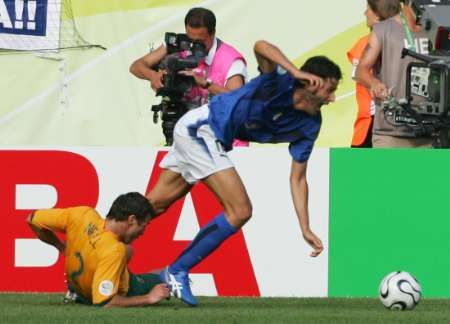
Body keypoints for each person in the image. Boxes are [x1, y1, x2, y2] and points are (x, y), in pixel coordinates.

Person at [147, 39, 342, 306]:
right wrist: (295, 71)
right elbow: (261, 46)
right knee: (240, 210)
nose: (332, 98)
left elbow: (298, 178)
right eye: (329, 90)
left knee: (152, 207)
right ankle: (177, 270)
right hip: (202, 129)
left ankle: (96, 246)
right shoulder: (278, 82)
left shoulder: (310, 124)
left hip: (204, 135)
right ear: (310, 84)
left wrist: (305, 226)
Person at [130, 7, 249, 146]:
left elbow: (237, 101)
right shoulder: (179, 44)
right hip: (189, 139)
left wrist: (205, 84)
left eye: (200, 42)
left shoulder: (230, 60)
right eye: (190, 39)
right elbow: (136, 66)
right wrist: (153, 75)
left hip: (227, 143)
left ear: (212, 34)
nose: (193, 45)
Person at [27, 192, 170, 307]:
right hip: (122, 289)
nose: (143, 232)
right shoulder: (114, 250)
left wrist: (60, 247)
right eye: (144, 225)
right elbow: (105, 302)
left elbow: (32, 219)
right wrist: (149, 298)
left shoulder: (83, 215)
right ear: (131, 220)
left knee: (128, 250)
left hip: (80, 292)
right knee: (166, 277)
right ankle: (176, 273)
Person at [355, 0, 432, 148]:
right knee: (390, 172)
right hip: (391, 132)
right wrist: (374, 83)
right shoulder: (383, 29)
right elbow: (361, 70)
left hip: (432, 132)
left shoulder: (441, 31)